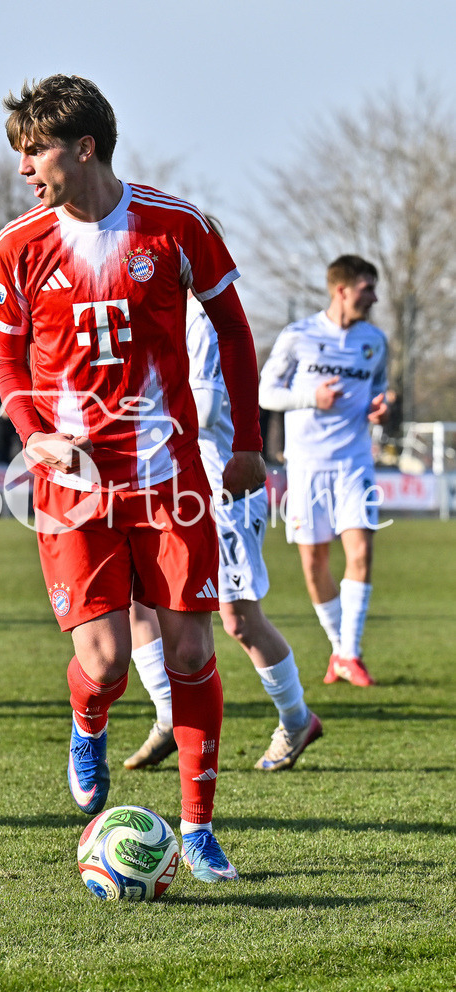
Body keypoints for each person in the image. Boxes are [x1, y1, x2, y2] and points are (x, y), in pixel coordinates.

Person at [0, 74, 265, 883]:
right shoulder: (19, 245)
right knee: (105, 660)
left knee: (188, 646)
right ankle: (87, 720)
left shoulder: (175, 226)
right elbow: (7, 362)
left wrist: (246, 440)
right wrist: (36, 438)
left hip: (166, 473)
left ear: (84, 147)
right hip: (73, 482)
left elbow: (235, 331)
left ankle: (201, 828)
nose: (23, 169)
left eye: (33, 152)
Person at [125, 288, 322, 772]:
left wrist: (135, 410)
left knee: (238, 619)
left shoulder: (205, 317)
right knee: (137, 600)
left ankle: (297, 718)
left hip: (221, 492)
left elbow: (209, 408)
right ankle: (170, 715)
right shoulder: (157, 308)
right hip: (166, 487)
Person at [259, 254, 389, 687]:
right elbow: (266, 392)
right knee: (315, 561)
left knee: (361, 553)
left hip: (355, 462)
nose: (374, 297)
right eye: (368, 288)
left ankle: (349, 652)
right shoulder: (298, 336)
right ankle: (339, 650)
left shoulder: (374, 341)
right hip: (307, 465)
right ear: (343, 289)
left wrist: (380, 407)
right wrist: (311, 397)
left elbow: (379, 391)